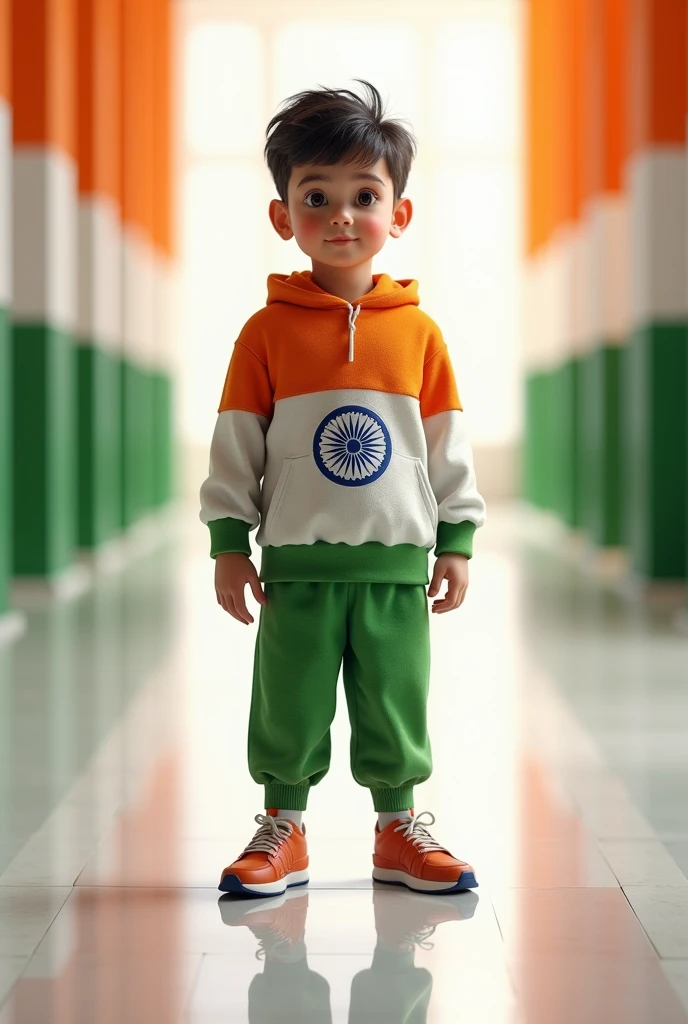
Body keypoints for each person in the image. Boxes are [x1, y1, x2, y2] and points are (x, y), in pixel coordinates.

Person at [199, 80, 486, 899]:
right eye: (315, 196)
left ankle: (399, 828)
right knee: (287, 701)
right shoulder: (265, 333)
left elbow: (445, 447)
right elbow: (236, 445)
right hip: (296, 558)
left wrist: (457, 539)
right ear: (282, 216)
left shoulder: (420, 334)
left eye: (365, 196)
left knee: (395, 699)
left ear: (398, 214)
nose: (340, 216)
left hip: (396, 560)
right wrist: (228, 543)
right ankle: (281, 828)